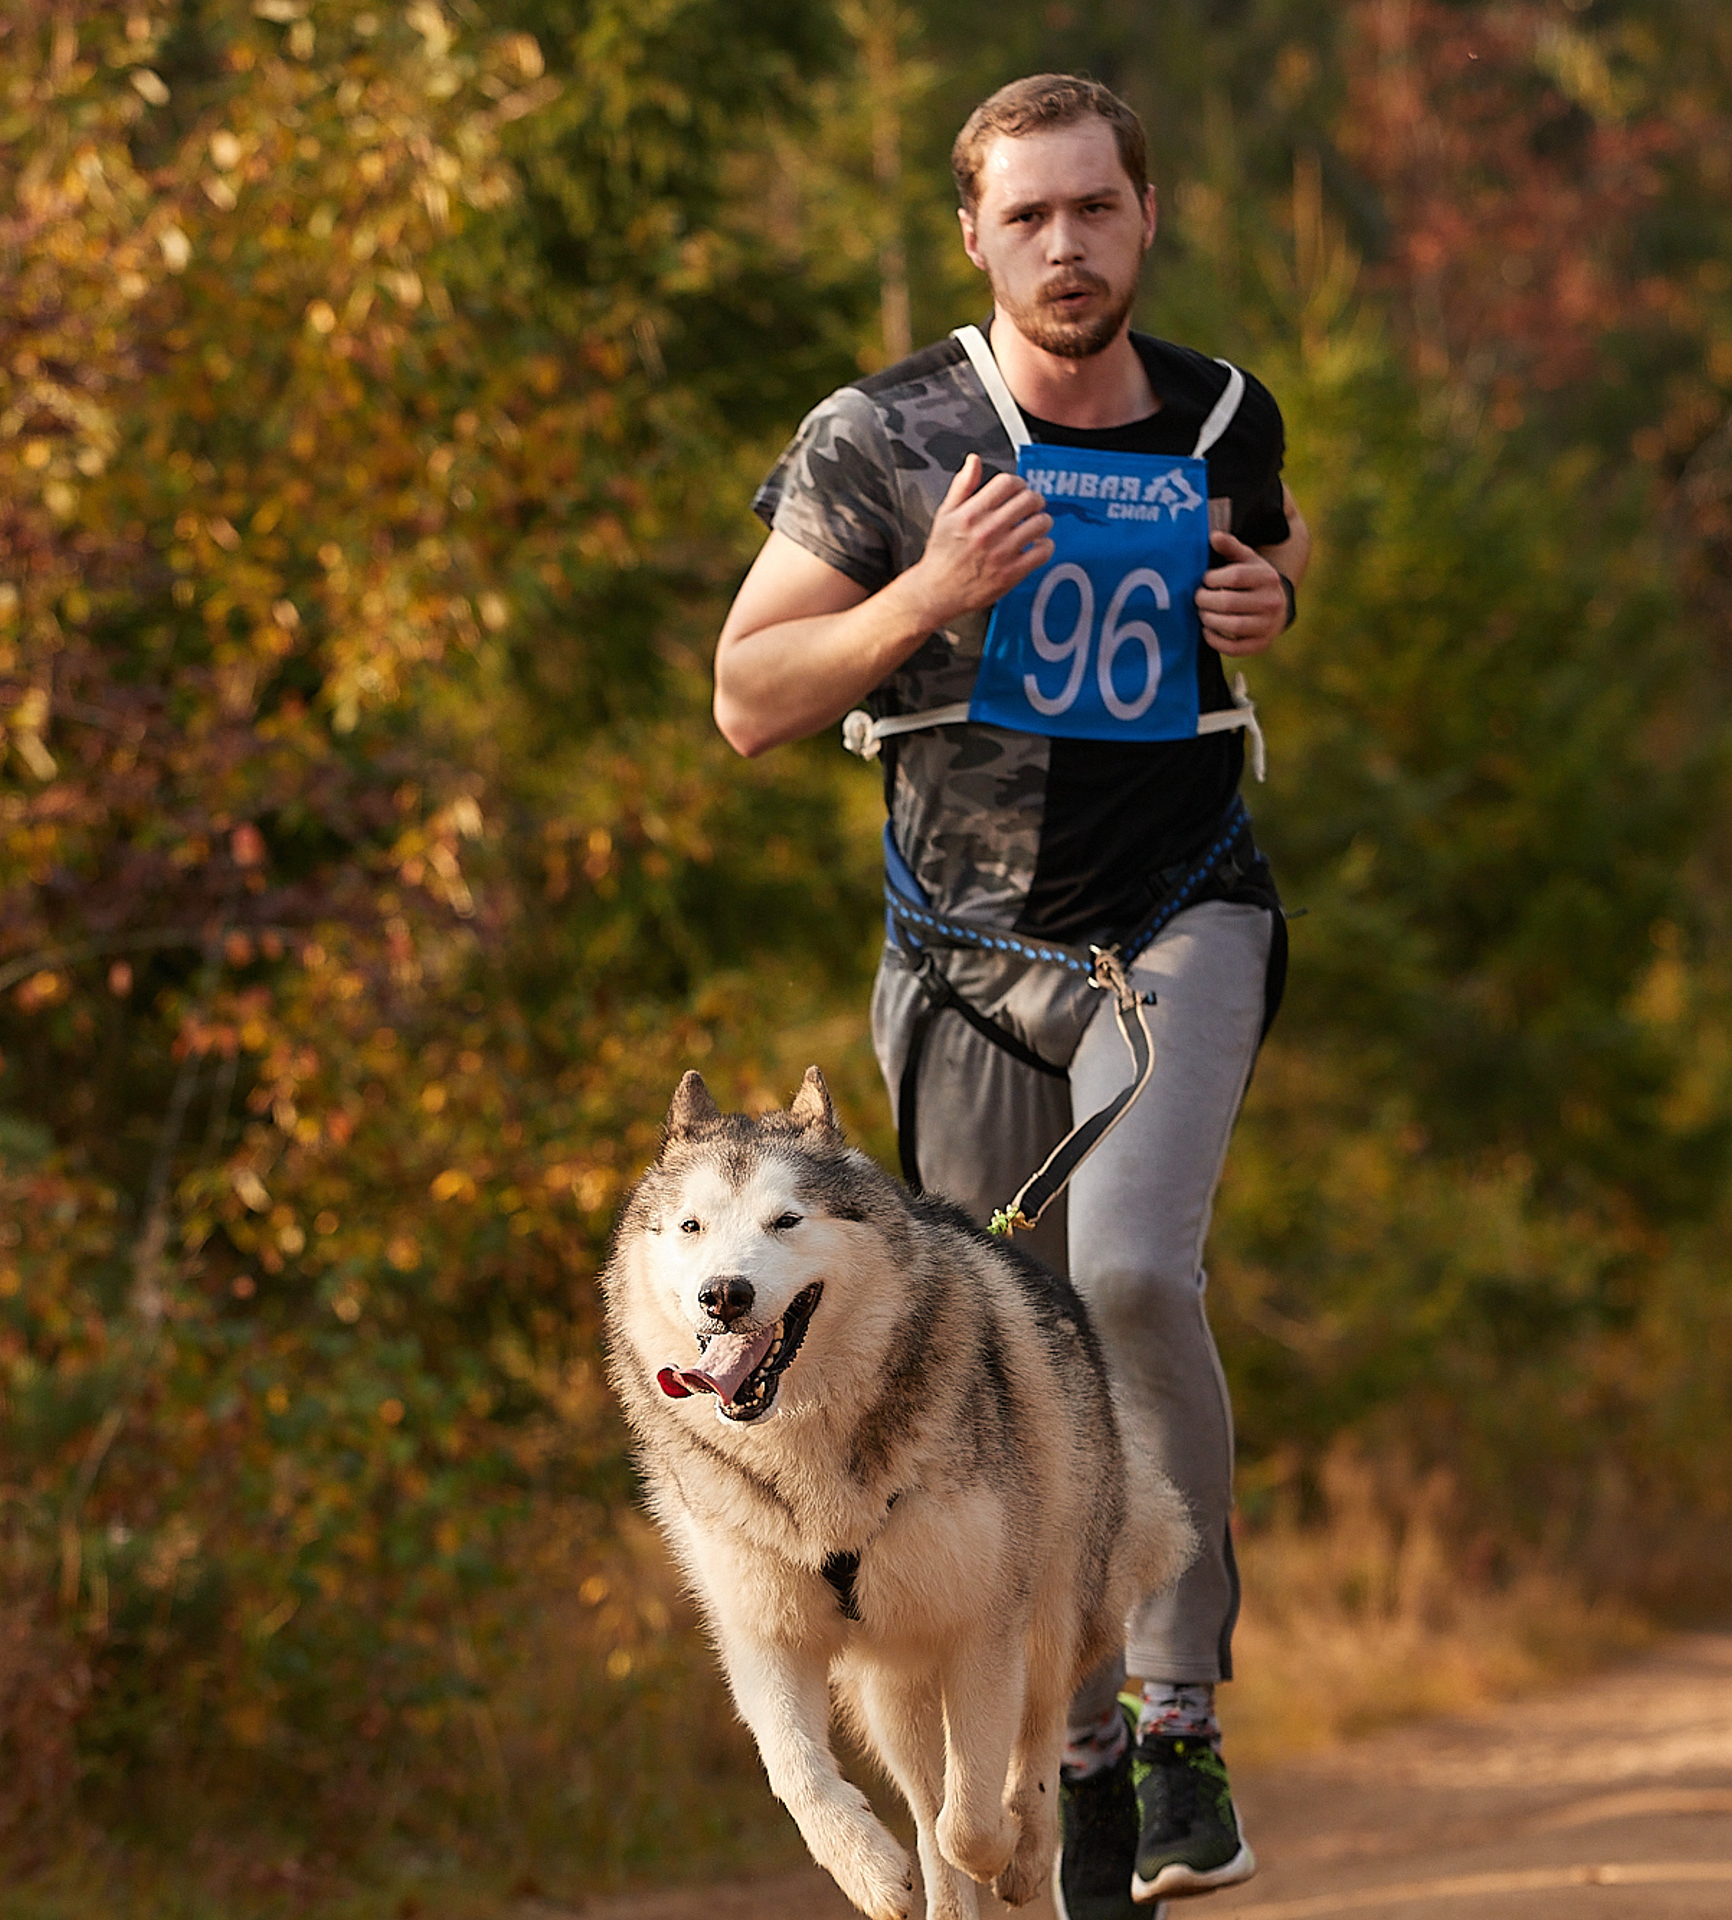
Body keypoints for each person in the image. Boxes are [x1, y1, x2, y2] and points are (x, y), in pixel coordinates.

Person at [712, 72, 1310, 1918]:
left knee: (1130, 1272)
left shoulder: (1219, 409)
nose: (1067, 245)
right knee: (1008, 1348)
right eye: (1028, 216)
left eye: (1096, 211)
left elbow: (1269, 553)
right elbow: (749, 693)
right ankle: (1073, 1754)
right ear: (972, 235)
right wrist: (923, 599)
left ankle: (1181, 1709)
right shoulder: (883, 436)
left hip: (1182, 921)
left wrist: (1272, 597)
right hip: (964, 961)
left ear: (1148, 221)